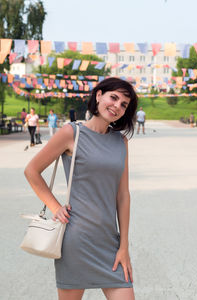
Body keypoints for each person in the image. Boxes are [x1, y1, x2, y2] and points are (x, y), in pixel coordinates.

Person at [24, 77, 138, 300]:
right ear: (98, 95)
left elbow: (123, 196)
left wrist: (123, 246)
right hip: (75, 239)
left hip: (110, 243)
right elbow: (32, 171)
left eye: (124, 104)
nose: (117, 106)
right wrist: (55, 207)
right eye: (113, 97)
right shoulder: (71, 133)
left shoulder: (121, 142)